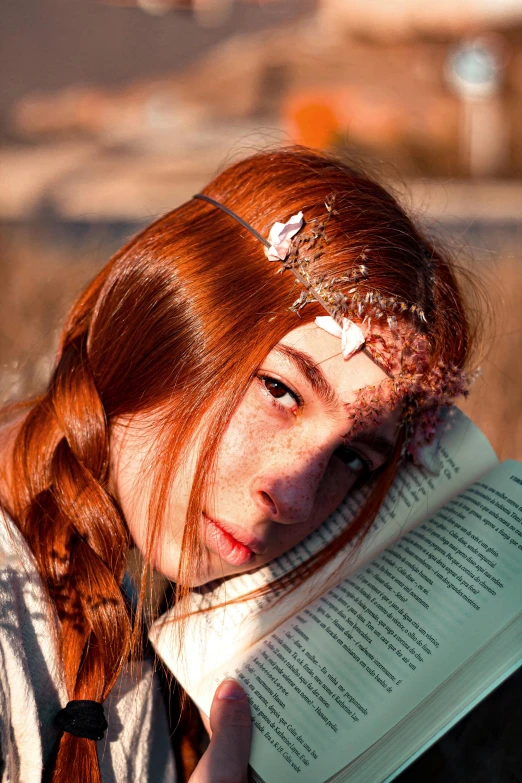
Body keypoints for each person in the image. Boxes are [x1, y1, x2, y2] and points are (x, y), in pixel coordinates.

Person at [0, 147, 473, 783]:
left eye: (352, 457)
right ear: (164, 318)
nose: (297, 498)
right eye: (281, 390)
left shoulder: (139, 610)